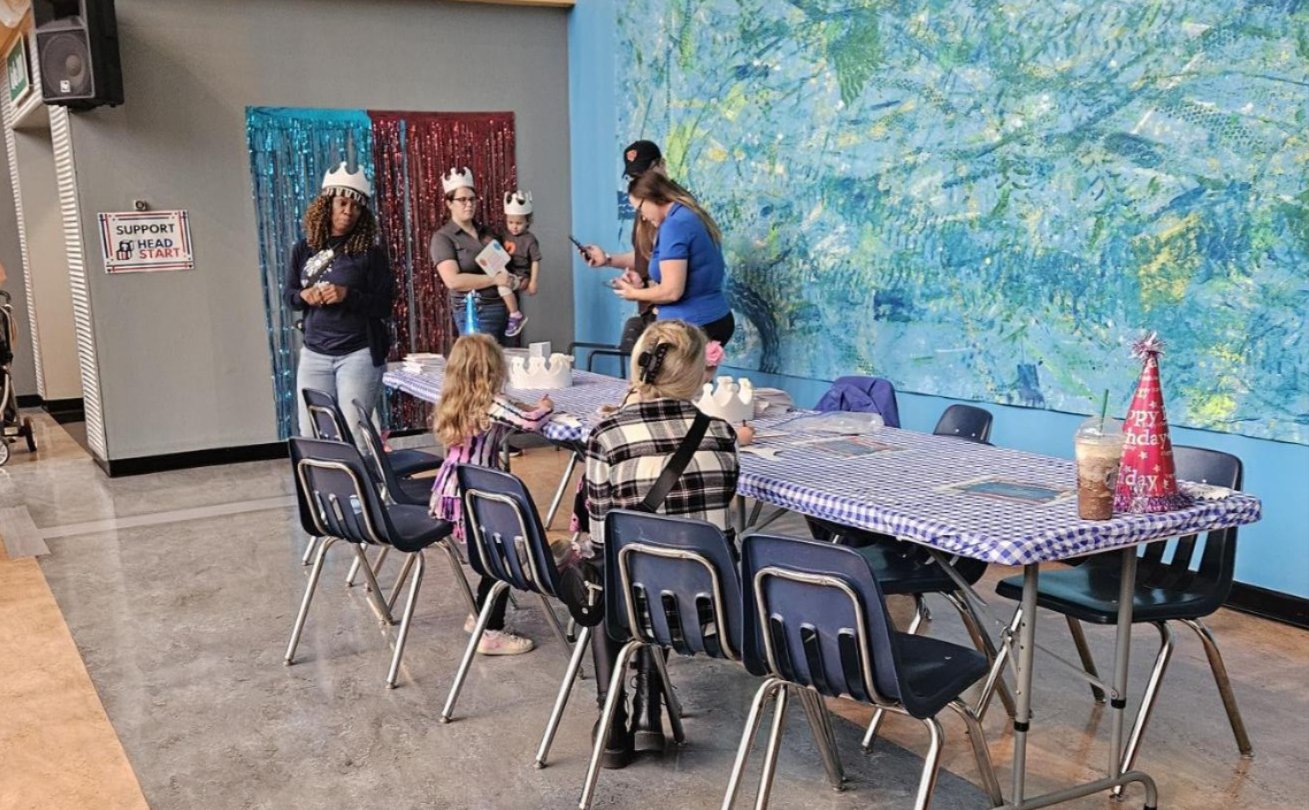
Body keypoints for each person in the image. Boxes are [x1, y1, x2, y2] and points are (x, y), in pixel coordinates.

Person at [577, 320, 752, 768]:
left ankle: (612, 720)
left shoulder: (607, 435)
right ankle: (649, 710)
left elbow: (600, 537)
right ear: (697, 374)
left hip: (632, 607)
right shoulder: (722, 434)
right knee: (667, 566)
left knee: (606, 573)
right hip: (711, 610)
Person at [429, 333, 554, 656]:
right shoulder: (492, 403)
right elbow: (529, 423)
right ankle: (491, 631)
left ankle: (480, 614)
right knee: (501, 559)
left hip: (452, 487)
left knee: (488, 556)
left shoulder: (454, 398)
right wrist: (545, 408)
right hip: (482, 492)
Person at [283, 163, 394, 437]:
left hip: (358, 354)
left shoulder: (370, 254)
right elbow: (289, 296)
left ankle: (363, 468)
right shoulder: (304, 249)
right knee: (311, 431)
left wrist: (348, 295)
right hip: (314, 353)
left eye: (356, 207)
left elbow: (384, 305)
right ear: (327, 205)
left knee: (356, 433)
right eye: (342, 203)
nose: (348, 211)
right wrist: (304, 296)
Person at [613, 172, 735, 345]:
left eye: (640, 209)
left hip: (691, 325)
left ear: (651, 197)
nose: (643, 217)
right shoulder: (689, 215)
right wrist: (641, 284)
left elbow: (672, 291)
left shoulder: (674, 226)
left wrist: (633, 294)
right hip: (713, 317)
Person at [580, 140, 664, 324]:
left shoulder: (677, 213)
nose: (641, 183)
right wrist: (607, 259)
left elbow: (676, 280)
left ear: (662, 165)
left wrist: (640, 290)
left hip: (672, 315)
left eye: (644, 174)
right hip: (650, 310)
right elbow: (643, 256)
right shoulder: (643, 207)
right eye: (634, 177)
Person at [431, 167, 518, 345]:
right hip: (475, 312)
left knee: (507, 360)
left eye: (472, 199)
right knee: (481, 360)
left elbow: (503, 268)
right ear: (449, 203)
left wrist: (513, 279)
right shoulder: (443, 237)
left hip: (505, 309)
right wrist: (494, 280)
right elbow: (453, 281)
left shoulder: (487, 232)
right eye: (462, 200)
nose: (469, 204)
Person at [498, 190, 541, 338]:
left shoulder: (530, 240)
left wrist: (533, 281)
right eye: (510, 222)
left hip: (521, 276)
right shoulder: (504, 235)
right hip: (507, 271)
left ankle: (516, 315)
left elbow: (535, 261)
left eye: (519, 223)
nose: (514, 227)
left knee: (503, 287)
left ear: (527, 222)